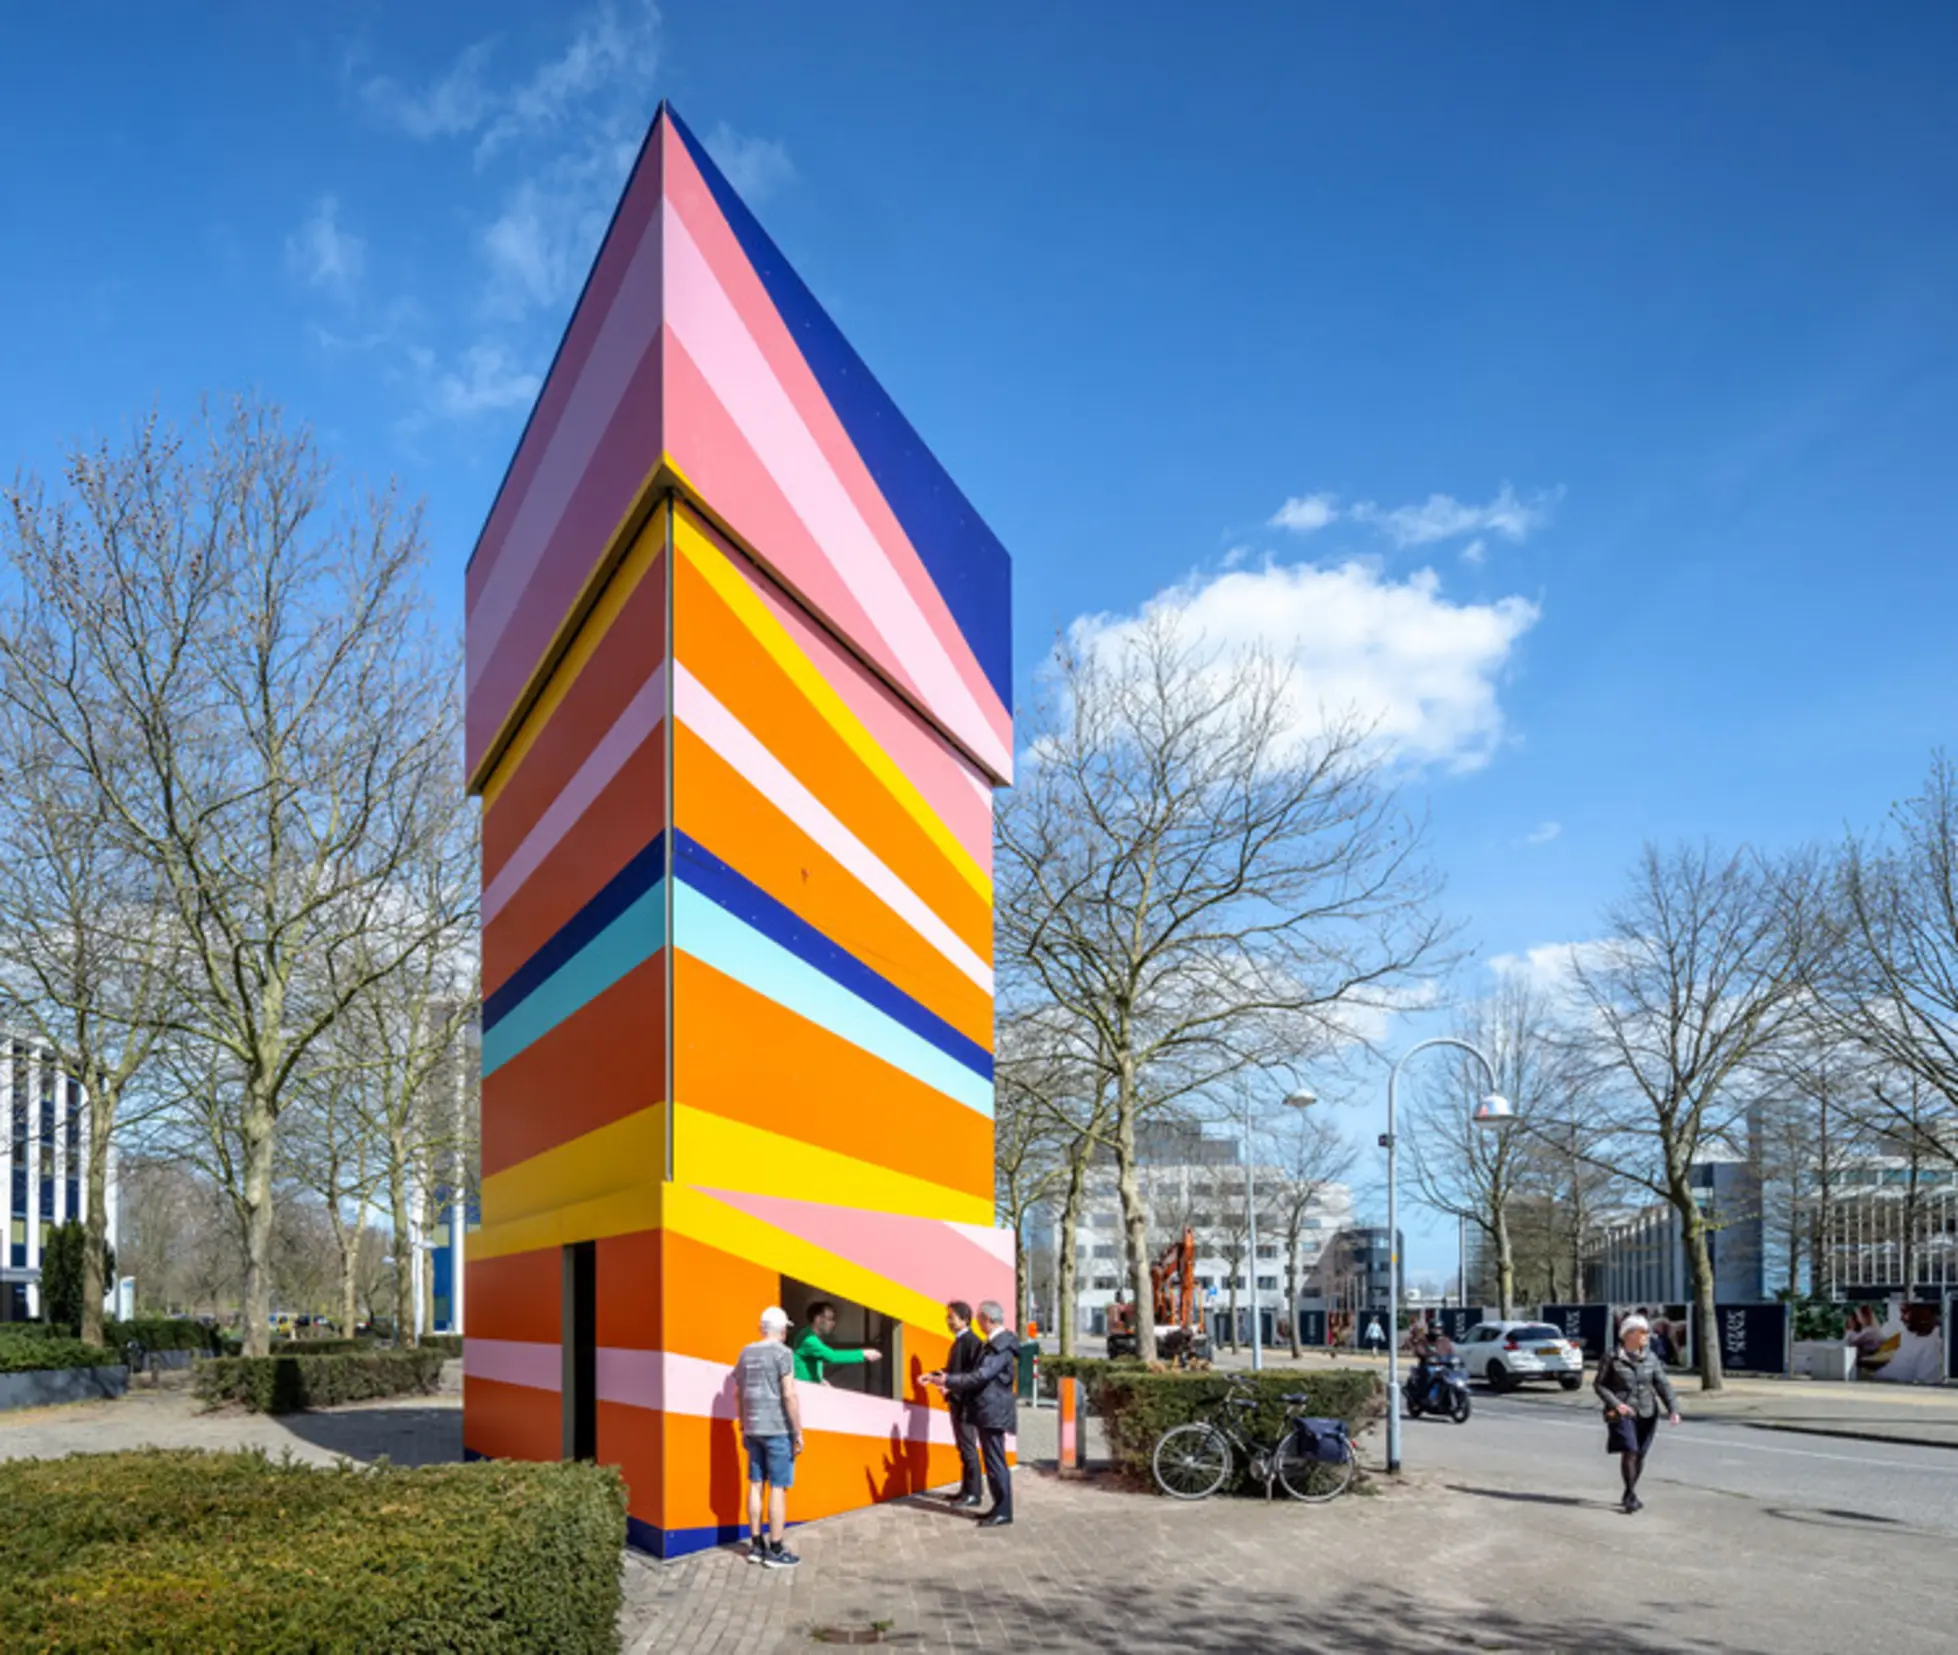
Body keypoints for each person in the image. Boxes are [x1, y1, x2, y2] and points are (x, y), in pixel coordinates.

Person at [924, 1299, 1018, 1528]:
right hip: (988, 1409)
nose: (977, 1322)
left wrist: (948, 1380)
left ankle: (1003, 1510)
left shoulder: (1000, 1345)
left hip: (993, 1410)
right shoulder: (993, 1343)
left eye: (979, 1318)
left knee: (995, 1462)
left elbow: (981, 1375)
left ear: (988, 1319)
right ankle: (999, 1507)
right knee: (992, 1460)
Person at [733, 1306, 804, 1569]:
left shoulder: (746, 1352)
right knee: (777, 1487)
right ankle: (775, 1549)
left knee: (754, 1484)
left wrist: (742, 1426)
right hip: (777, 1429)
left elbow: (737, 1393)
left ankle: (755, 1546)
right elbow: (789, 1394)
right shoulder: (784, 1354)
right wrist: (797, 1431)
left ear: (762, 1328)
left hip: (752, 1427)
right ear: (783, 1329)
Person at [1595, 1313, 1681, 1514]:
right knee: (1630, 1450)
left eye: (1647, 1332)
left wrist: (1673, 1410)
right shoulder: (1611, 1356)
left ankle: (1628, 1491)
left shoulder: (1651, 1358)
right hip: (1622, 1412)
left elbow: (1662, 1384)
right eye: (1642, 1332)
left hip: (1647, 1411)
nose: (1647, 1335)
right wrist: (1616, 1404)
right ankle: (1631, 1495)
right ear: (1629, 1334)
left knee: (1640, 1454)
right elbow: (1600, 1385)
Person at [942, 1300, 985, 1506]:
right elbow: (955, 1371)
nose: (948, 1321)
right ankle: (965, 1489)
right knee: (963, 1447)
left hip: (966, 1404)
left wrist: (950, 1385)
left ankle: (974, 1493)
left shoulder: (972, 1343)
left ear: (965, 1319)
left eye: (952, 1317)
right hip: (957, 1402)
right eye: (947, 1317)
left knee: (968, 1448)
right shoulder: (960, 1342)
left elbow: (972, 1376)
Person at [792, 1301, 886, 1386]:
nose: (833, 1323)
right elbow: (832, 1356)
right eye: (830, 1319)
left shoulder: (811, 1336)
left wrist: (820, 1380)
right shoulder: (809, 1339)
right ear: (818, 1319)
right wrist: (863, 1354)